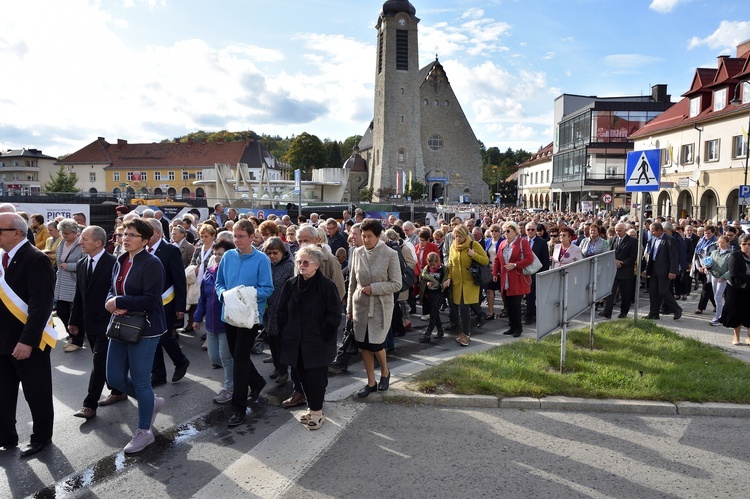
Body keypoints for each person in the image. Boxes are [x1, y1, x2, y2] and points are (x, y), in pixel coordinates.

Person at [105, 218, 167, 454]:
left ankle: (144, 431)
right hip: (121, 323)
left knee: (141, 380)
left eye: (132, 235)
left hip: (146, 327)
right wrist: (109, 303)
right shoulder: (120, 260)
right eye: (124, 234)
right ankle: (151, 402)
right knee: (114, 377)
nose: (126, 238)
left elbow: (152, 300)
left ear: (145, 240)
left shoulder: (152, 263)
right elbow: (112, 290)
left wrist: (119, 301)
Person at [0, 212, 56, 457]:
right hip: (2, 341)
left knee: (37, 393)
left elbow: (41, 305)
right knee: (3, 393)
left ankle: (41, 438)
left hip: (28, 342)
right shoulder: (2, 258)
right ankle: (5, 436)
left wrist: (27, 341)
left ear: (17, 233)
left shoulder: (36, 259)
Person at [215, 219, 274, 427]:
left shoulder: (261, 259)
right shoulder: (228, 256)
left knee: (239, 360)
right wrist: (225, 295)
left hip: (250, 317)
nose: (237, 240)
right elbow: (219, 283)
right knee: (236, 355)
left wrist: (244, 296)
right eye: (235, 236)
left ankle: (238, 408)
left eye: (241, 236)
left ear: (251, 237)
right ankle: (257, 381)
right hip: (230, 314)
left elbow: (268, 288)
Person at [277, 245, 341, 430]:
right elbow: (282, 311)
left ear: (317, 265)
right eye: (299, 261)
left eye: (306, 262)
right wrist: (284, 331)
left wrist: (323, 334)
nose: (301, 265)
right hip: (295, 341)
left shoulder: (327, 286)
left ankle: (317, 412)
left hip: (318, 342)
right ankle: (311, 408)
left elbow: (334, 315)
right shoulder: (291, 284)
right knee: (302, 376)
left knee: (316, 378)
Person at [68, 226, 124, 420]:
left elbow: (118, 292)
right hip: (89, 323)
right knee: (102, 361)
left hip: (108, 322)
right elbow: (79, 295)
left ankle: (89, 405)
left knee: (98, 363)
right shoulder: (82, 263)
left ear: (98, 242)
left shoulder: (114, 263)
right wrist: (74, 320)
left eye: (84, 239)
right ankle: (118, 390)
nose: (80, 242)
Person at [348, 218, 401, 397]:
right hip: (360, 305)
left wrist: (375, 289)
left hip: (380, 306)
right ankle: (370, 382)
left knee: (377, 344)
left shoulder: (390, 254)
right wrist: (349, 308)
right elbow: (352, 283)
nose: (366, 240)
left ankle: (385, 371)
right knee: (364, 346)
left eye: (370, 236)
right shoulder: (357, 252)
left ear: (378, 236)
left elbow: (396, 284)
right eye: (363, 236)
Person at [146, 219, 190, 387]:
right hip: (149, 302)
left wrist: (181, 306)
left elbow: (179, 279)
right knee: (152, 337)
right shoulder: (143, 250)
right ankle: (158, 374)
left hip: (167, 301)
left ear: (158, 232)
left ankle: (180, 361)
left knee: (163, 336)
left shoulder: (170, 250)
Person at [192, 239, 236, 404]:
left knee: (226, 357)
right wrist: (197, 318)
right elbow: (202, 299)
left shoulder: (232, 273)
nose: (217, 257)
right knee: (215, 358)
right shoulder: (209, 272)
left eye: (221, 254)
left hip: (226, 323)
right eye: (216, 254)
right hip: (210, 324)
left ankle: (230, 389)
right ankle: (239, 375)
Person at [445, 224, 489, 346]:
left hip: (470, 282)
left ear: (465, 235)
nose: (457, 239)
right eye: (456, 236)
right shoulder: (453, 247)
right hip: (457, 283)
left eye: (460, 236)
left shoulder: (473, 245)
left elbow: (485, 260)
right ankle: (479, 317)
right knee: (461, 307)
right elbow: (451, 264)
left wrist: (473, 254)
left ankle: (466, 335)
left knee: (464, 308)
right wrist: (448, 278)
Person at [493, 222, 535, 338]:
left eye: (508, 231)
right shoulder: (502, 244)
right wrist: (495, 272)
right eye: (504, 231)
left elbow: (529, 258)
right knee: (508, 305)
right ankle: (512, 326)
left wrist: (516, 265)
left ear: (515, 231)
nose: (505, 233)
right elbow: (497, 259)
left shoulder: (523, 242)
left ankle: (518, 328)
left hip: (517, 278)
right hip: (505, 279)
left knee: (516, 304)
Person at [263, 236, 295, 385]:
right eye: (269, 253)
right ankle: (277, 366)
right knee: (272, 340)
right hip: (268, 309)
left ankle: (283, 370)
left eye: (275, 253)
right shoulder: (266, 264)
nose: (272, 256)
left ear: (282, 251)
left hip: (283, 310)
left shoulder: (289, 266)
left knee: (281, 341)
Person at [55, 219, 84, 352]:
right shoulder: (61, 242)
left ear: (75, 232)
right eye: (62, 232)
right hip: (62, 281)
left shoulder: (81, 244)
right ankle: (72, 334)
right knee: (61, 310)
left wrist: (70, 266)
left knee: (75, 313)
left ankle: (77, 339)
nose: (64, 235)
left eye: (67, 233)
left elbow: (86, 263)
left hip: (74, 281)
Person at [643, 222, 682, 320]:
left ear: (660, 230)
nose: (652, 233)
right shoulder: (654, 239)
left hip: (665, 270)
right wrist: (647, 270)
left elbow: (674, 257)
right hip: (654, 270)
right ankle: (654, 313)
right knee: (653, 292)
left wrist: (673, 271)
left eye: (653, 231)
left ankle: (677, 309)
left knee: (663, 291)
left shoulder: (670, 239)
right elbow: (651, 256)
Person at [599, 223, 638, 319]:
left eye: (620, 230)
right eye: (616, 230)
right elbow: (609, 253)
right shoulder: (613, 239)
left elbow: (633, 256)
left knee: (625, 293)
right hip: (614, 270)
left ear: (625, 230)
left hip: (626, 271)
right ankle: (607, 312)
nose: (618, 232)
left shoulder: (632, 241)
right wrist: (614, 261)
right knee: (610, 292)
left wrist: (622, 263)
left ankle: (624, 312)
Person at [184, 223, 216, 334]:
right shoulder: (198, 249)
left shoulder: (215, 249)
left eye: (206, 236)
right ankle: (190, 323)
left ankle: (208, 332)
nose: (203, 239)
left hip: (209, 280)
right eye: (202, 236)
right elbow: (192, 263)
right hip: (197, 279)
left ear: (213, 236)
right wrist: (194, 270)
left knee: (208, 306)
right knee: (193, 303)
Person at [721, 234, 750, 345]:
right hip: (736, 287)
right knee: (736, 312)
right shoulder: (735, 256)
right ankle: (736, 336)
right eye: (744, 244)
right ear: (740, 245)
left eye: (749, 244)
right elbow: (734, 272)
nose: (747, 246)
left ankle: (749, 337)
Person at [418, 252, 448, 342]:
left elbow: (445, 280)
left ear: (438, 261)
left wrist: (442, 284)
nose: (433, 266)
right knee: (434, 313)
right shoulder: (427, 269)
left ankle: (427, 334)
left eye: (434, 264)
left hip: (439, 294)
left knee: (433, 315)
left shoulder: (443, 269)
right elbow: (424, 279)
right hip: (430, 293)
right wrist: (427, 283)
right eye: (431, 264)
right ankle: (440, 331)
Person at [524, 222, 550, 325]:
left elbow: (545, 260)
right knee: (527, 295)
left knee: (533, 295)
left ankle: (532, 315)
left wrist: (543, 274)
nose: (530, 231)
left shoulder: (542, 242)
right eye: (528, 229)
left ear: (536, 231)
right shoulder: (522, 241)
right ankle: (530, 313)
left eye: (532, 229)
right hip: (524, 272)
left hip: (536, 273)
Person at [706, 236, 732, 327]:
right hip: (714, 276)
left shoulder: (730, 254)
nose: (720, 244)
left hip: (723, 278)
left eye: (723, 242)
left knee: (718, 296)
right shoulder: (714, 252)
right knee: (716, 296)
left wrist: (724, 277)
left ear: (727, 243)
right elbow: (710, 264)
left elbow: (731, 269)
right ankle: (719, 314)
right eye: (719, 242)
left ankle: (718, 317)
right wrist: (707, 268)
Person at [693, 225, 718, 314]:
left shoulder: (716, 243)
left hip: (711, 270)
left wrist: (707, 267)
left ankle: (700, 308)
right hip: (701, 269)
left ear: (713, 233)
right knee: (709, 289)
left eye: (709, 233)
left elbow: (715, 258)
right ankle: (717, 305)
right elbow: (696, 255)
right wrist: (698, 266)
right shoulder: (701, 241)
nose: (706, 235)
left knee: (706, 288)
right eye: (705, 233)